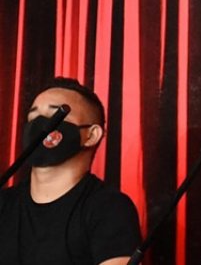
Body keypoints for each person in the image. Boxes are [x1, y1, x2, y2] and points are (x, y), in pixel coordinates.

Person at [0, 77, 141, 265]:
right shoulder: (4, 203)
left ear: (91, 135)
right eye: (33, 118)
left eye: (55, 116)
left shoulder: (109, 208)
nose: (39, 124)